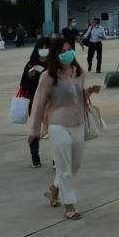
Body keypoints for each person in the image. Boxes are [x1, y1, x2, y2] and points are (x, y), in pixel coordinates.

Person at [28, 39, 101, 220]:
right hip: (58, 124)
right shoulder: (48, 77)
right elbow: (38, 105)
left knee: (75, 165)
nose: (67, 53)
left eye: (69, 49)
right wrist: (34, 131)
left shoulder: (79, 72)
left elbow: (78, 96)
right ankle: (70, 205)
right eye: (62, 51)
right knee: (64, 167)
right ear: (55, 55)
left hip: (78, 123)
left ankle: (54, 189)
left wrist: (89, 91)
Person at [20, 38, 52, 167]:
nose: (44, 50)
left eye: (46, 47)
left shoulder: (54, 64)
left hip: (51, 101)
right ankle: (35, 155)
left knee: (54, 128)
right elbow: (23, 84)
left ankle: (57, 157)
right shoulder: (30, 64)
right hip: (34, 101)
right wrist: (29, 77)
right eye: (41, 47)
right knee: (35, 127)